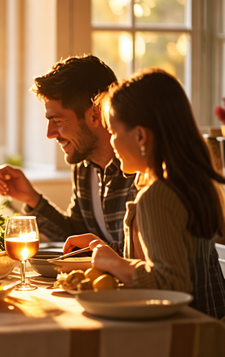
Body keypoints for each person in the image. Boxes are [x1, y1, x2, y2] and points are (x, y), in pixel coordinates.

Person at [65, 68, 225, 319]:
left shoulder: (157, 196)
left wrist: (113, 263)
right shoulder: (190, 183)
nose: (113, 142)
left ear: (140, 136)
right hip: (204, 336)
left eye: (114, 132)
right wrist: (104, 248)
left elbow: (171, 284)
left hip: (175, 341)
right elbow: (161, 253)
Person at [0, 54, 137, 248]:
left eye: (58, 121)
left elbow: (139, 254)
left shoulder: (140, 168)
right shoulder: (84, 168)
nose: (50, 134)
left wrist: (94, 248)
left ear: (96, 114)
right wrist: (32, 199)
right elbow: (75, 237)